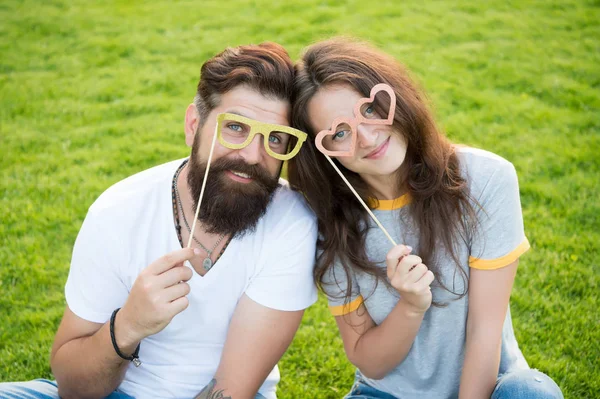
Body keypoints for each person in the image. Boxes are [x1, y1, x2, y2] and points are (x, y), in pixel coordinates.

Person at [0, 42, 317, 399]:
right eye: (236, 128)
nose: (253, 155)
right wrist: (129, 325)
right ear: (193, 125)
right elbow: (74, 388)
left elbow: (232, 390)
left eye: (276, 138)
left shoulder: (291, 221)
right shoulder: (117, 212)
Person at [287, 37, 563, 399]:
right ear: (323, 153)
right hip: (387, 394)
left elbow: (485, 330)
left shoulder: (484, 179)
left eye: (369, 110)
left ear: (394, 96)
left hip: (491, 388)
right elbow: (370, 363)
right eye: (339, 133)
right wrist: (411, 306)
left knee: (532, 394)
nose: (367, 138)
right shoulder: (331, 224)